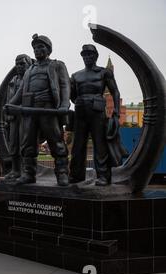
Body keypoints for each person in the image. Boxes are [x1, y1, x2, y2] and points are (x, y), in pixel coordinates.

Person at [9, 34, 71, 187]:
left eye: (41, 47)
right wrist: (11, 104)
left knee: (56, 141)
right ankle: (29, 174)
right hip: (29, 110)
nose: (37, 50)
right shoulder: (30, 69)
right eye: (35, 48)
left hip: (48, 109)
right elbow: (21, 90)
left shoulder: (57, 65)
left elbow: (65, 85)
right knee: (28, 143)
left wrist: (64, 104)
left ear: (48, 49)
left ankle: (62, 174)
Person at [69, 45, 121, 186]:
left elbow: (115, 91)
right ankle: (76, 175)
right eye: (85, 55)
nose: (87, 57)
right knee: (78, 145)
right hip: (80, 112)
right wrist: (81, 101)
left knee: (100, 144)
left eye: (90, 55)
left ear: (96, 56)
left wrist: (116, 109)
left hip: (97, 112)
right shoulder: (75, 75)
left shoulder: (104, 73)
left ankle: (103, 175)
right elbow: (72, 95)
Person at [3, 54, 33, 182]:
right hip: (13, 117)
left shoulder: (31, 80)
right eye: (17, 64)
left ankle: (27, 171)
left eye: (22, 63)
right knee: (13, 144)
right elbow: (7, 99)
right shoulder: (13, 81)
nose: (19, 66)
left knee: (25, 144)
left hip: (26, 116)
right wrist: (6, 117)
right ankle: (15, 170)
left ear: (28, 64)